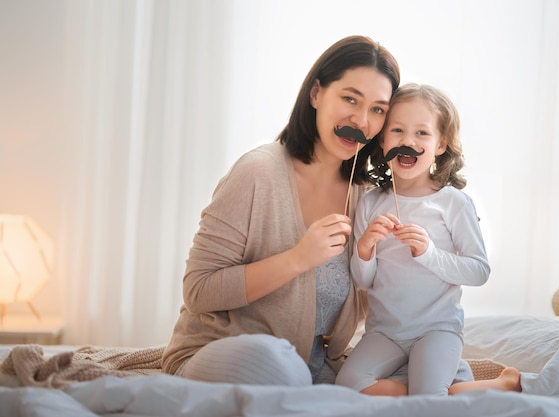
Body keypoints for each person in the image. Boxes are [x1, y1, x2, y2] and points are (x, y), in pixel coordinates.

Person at [161, 35, 401, 385]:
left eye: (377, 109)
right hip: (224, 352)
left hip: (312, 366)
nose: (362, 120)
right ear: (316, 93)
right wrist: (298, 258)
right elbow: (198, 290)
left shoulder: (363, 196)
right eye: (350, 98)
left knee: (424, 370)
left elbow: (376, 300)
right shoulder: (258, 173)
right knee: (277, 365)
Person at [335, 83, 522, 396]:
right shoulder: (370, 203)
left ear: (440, 144)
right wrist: (365, 249)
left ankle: (501, 384)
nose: (407, 141)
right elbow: (363, 282)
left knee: (428, 400)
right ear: (382, 140)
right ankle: (445, 385)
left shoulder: (454, 203)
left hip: (437, 330)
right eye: (397, 130)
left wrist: (429, 253)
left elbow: (478, 271)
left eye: (422, 133)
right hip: (386, 332)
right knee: (348, 386)